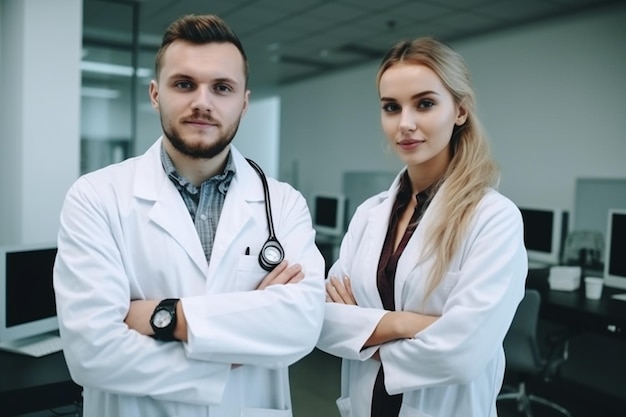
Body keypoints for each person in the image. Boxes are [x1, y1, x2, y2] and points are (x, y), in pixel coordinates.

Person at [53, 14, 325, 417]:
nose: (203, 101)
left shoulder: (283, 204)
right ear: (155, 94)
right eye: (184, 84)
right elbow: (92, 353)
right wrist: (241, 344)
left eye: (222, 88)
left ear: (244, 103)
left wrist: (164, 317)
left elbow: (301, 325)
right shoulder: (95, 197)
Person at [316, 37, 527, 417]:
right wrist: (407, 323)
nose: (405, 124)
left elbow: (463, 354)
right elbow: (323, 321)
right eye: (391, 108)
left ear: (460, 110)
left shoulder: (494, 218)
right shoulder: (369, 214)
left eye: (425, 104)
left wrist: (362, 335)